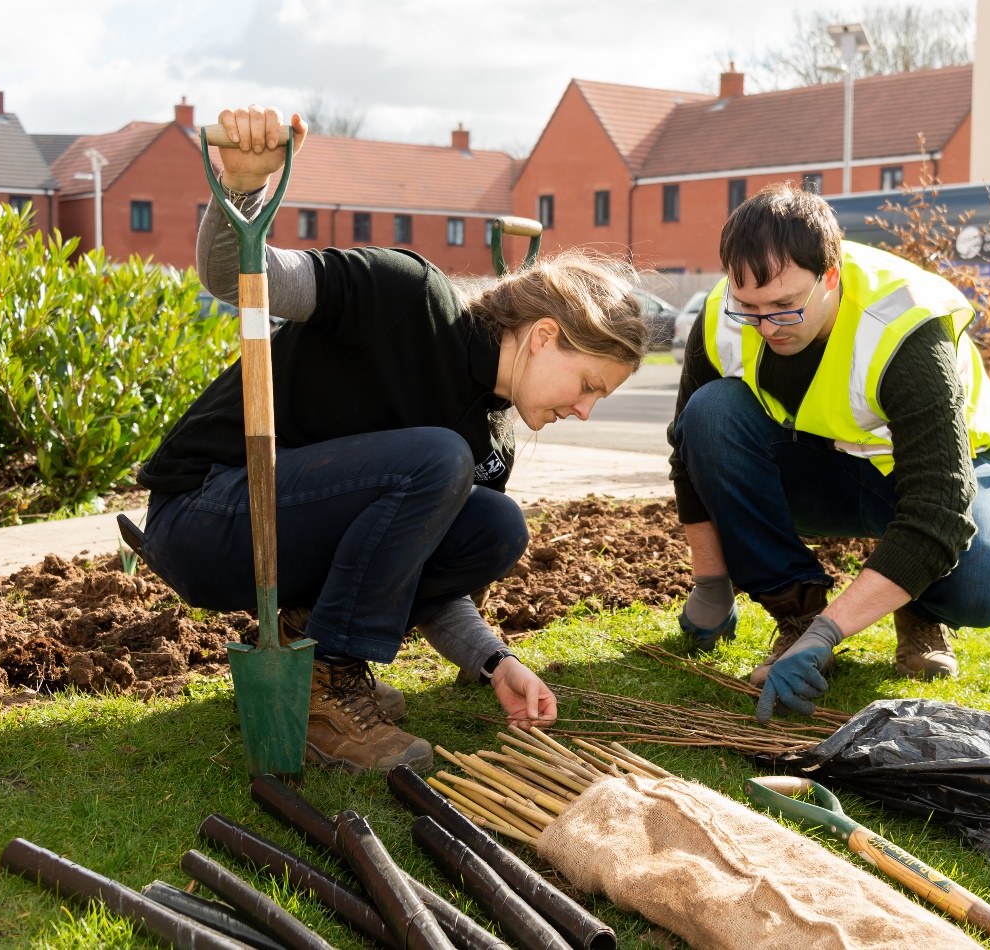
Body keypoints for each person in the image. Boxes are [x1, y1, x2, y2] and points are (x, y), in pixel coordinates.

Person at [138, 105, 648, 772]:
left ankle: (306, 653)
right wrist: (241, 189)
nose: (583, 410)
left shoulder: (493, 439)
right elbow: (242, 275)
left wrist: (495, 661)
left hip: (284, 545)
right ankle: (325, 694)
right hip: (209, 516)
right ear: (545, 337)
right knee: (439, 459)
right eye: (588, 386)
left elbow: (425, 579)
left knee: (493, 523)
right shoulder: (404, 296)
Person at [668, 183, 990, 722]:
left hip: (944, 478)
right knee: (709, 412)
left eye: (786, 308)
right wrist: (711, 585)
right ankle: (794, 611)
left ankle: (918, 607)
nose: (766, 327)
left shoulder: (904, 324)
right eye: (751, 308)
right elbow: (688, 457)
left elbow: (939, 511)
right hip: (825, 471)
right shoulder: (725, 314)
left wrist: (828, 635)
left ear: (829, 278)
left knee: (984, 584)